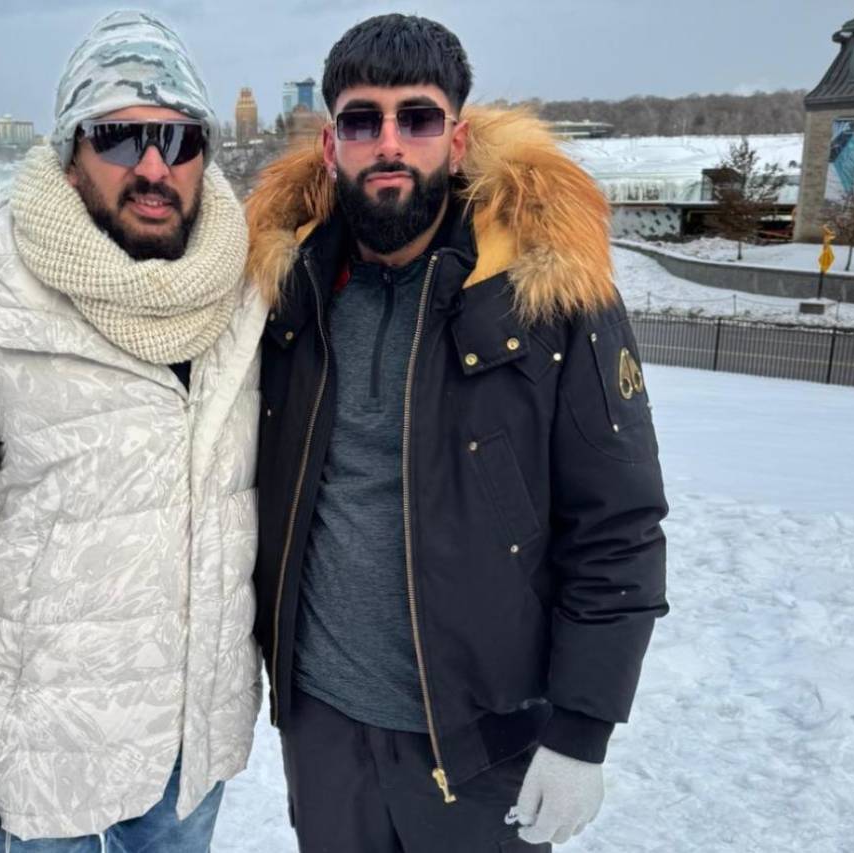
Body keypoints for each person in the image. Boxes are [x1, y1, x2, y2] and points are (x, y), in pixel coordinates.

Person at [246, 14, 669, 851]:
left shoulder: (545, 294)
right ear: (330, 145)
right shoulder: (288, 289)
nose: (389, 142)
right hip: (324, 732)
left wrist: (582, 728)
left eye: (418, 118)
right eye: (362, 120)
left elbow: (618, 522)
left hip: (482, 743)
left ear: (458, 136)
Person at [0, 11, 266, 852]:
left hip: (189, 746)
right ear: (71, 154)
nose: (152, 166)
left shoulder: (249, 296)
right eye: (118, 137)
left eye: (178, 138)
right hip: (35, 758)